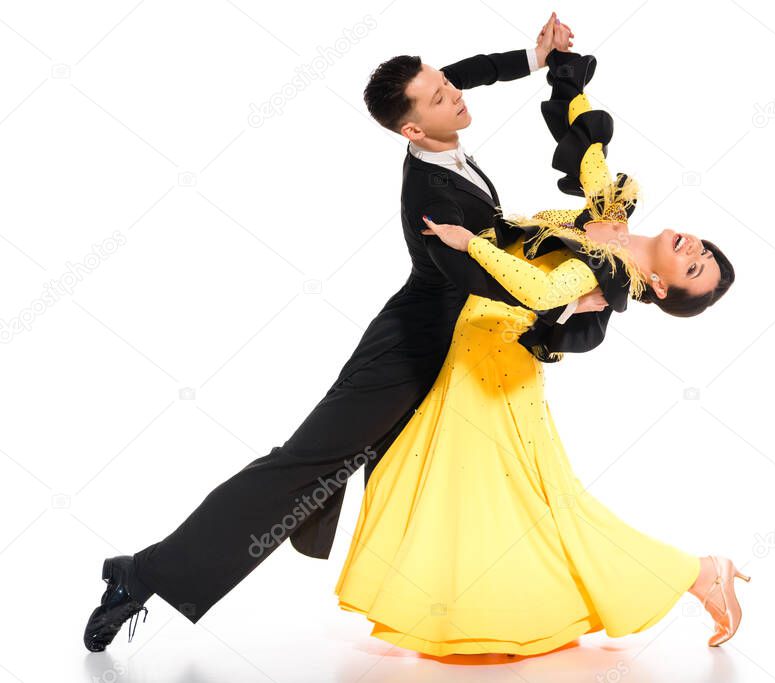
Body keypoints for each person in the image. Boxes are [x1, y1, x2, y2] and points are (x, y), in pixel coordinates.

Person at [82, 13, 607, 652]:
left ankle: (482, 612)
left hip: (460, 352)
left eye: (446, 85)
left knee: (447, 480)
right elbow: (477, 279)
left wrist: (533, 55)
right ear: (413, 128)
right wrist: (565, 298)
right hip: (412, 353)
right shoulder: (431, 200)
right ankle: (138, 575)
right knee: (302, 471)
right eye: (440, 97)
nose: (456, 95)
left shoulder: (439, 135)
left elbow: (467, 73)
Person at [333, 49, 743, 657]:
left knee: (513, 494)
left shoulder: (607, 271)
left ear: (660, 287)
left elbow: (542, 289)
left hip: (496, 365)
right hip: (468, 347)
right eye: (704, 251)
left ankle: (697, 574)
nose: (694, 248)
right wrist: (564, 72)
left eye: (691, 267)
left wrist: (472, 242)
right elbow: (587, 146)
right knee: (466, 487)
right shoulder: (615, 211)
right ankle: (484, 611)